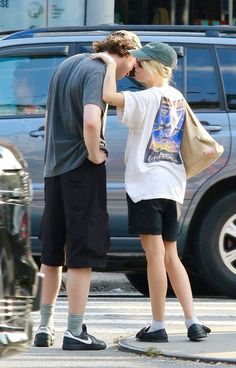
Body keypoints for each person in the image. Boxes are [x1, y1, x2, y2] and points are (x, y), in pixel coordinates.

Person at [91, 42, 211, 342]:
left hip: (146, 186)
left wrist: (107, 64)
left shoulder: (145, 98)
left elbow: (107, 96)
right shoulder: (177, 97)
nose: (135, 68)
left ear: (156, 67)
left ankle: (157, 324)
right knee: (171, 256)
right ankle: (192, 321)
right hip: (172, 185)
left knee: (154, 256)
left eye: (141, 64)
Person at [34, 30, 141, 351]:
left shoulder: (69, 64)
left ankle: (44, 326)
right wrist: (95, 154)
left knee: (51, 254)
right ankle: (75, 331)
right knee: (81, 254)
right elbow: (92, 121)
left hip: (53, 170)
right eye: (134, 62)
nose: (132, 71)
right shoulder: (99, 69)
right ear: (126, 53)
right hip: (81, 169)